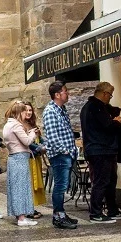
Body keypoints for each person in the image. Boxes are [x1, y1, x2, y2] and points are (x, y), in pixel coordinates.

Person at [80, 80, 121, 223]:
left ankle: (112, 209)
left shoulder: (89, 107)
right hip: (100, 149)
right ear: (105, 94)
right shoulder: (96, 107)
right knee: (101, 182)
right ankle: (95, 213)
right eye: (110, 95)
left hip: (103, 149)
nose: (110, 98)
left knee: (109, 181)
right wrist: (116, 122)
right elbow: (106, 126)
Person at [41, 81, 79, 230]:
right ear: (57, 94)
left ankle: (61, 213)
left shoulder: (61, 109)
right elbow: (52, 136)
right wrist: (66, 151)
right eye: (65, 91)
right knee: (60, 186)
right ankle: (58, 216)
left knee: (63, 185)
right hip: (60, 155)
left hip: (66, 154)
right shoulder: (51, 111)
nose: (67, 93)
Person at [3, 101, 45, 227]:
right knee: (21, 188)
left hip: (14, 158)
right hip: (19, 158)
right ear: (19, 112)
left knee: (16, 188)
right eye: (23, 111)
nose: (26, 113)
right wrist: (33, 133)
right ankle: (21, 218)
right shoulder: (16, 125)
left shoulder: (8, 124)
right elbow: (26, 141)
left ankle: (20, 215)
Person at [23, 102, 47, 218]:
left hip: (36, 158)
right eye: (26, 110)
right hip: (28, 158)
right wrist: (38, 148)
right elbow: (27, 143)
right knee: (30, 183)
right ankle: (28, 209)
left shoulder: (32, 124)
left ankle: (31, 207)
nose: (28, 112)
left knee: (35, 184)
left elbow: (40, 139)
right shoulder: (21, 126)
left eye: (30, 110)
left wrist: (45, 144)